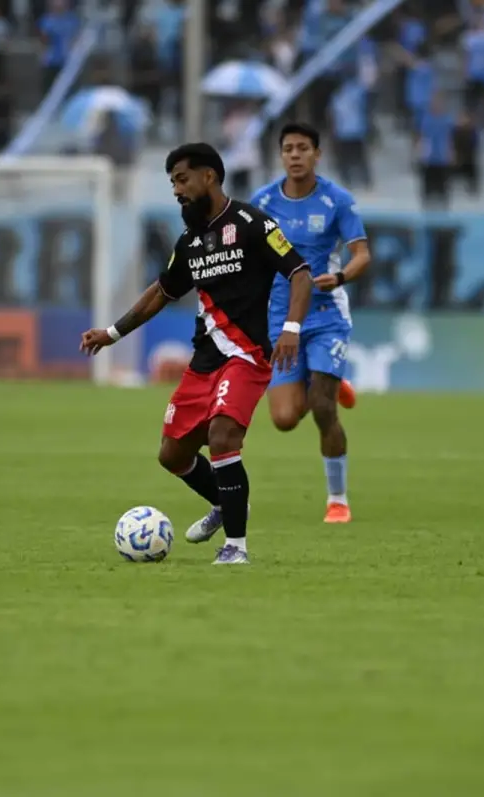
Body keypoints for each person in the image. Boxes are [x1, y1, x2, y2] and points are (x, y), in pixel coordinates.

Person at [80, 143, 313, 564]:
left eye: (182, 179)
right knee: (172, 454)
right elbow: (162, 292)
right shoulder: (189, 242)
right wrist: (112, 333)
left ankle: (236, 548)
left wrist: (291, 328)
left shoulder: (250, 224)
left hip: (246, 356)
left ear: (209, 176)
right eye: (171, 182)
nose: (176, 190)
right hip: (203, 361)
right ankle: (226, 503)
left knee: (224, 434)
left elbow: (299, 273)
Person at [250, 122, 371, 524]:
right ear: (281, 155)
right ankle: (332, 383)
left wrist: (339, 277)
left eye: (303, 148)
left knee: (321, 408)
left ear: (317, 154)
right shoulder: (263, 201)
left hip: (325, 315)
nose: (296, 155)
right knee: (284, 420)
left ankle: (338, 500)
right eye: (288, 149)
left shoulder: (337, 201)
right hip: (279, 318)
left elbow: (361, 254)